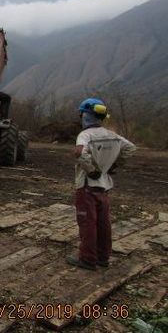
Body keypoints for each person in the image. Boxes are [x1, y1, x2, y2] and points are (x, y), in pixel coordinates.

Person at [66, 98, 136, 270]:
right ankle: (103, 257)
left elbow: (79, 152)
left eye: (81, 114)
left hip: (87, 186)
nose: (81, 117)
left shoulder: (85, 135)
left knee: (87, 222)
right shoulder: (112, 135)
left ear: (86, 115)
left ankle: (88, 259)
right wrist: (113, 165)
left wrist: (92, 170)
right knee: (103, 223)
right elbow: (131, 148)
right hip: (104, 187)